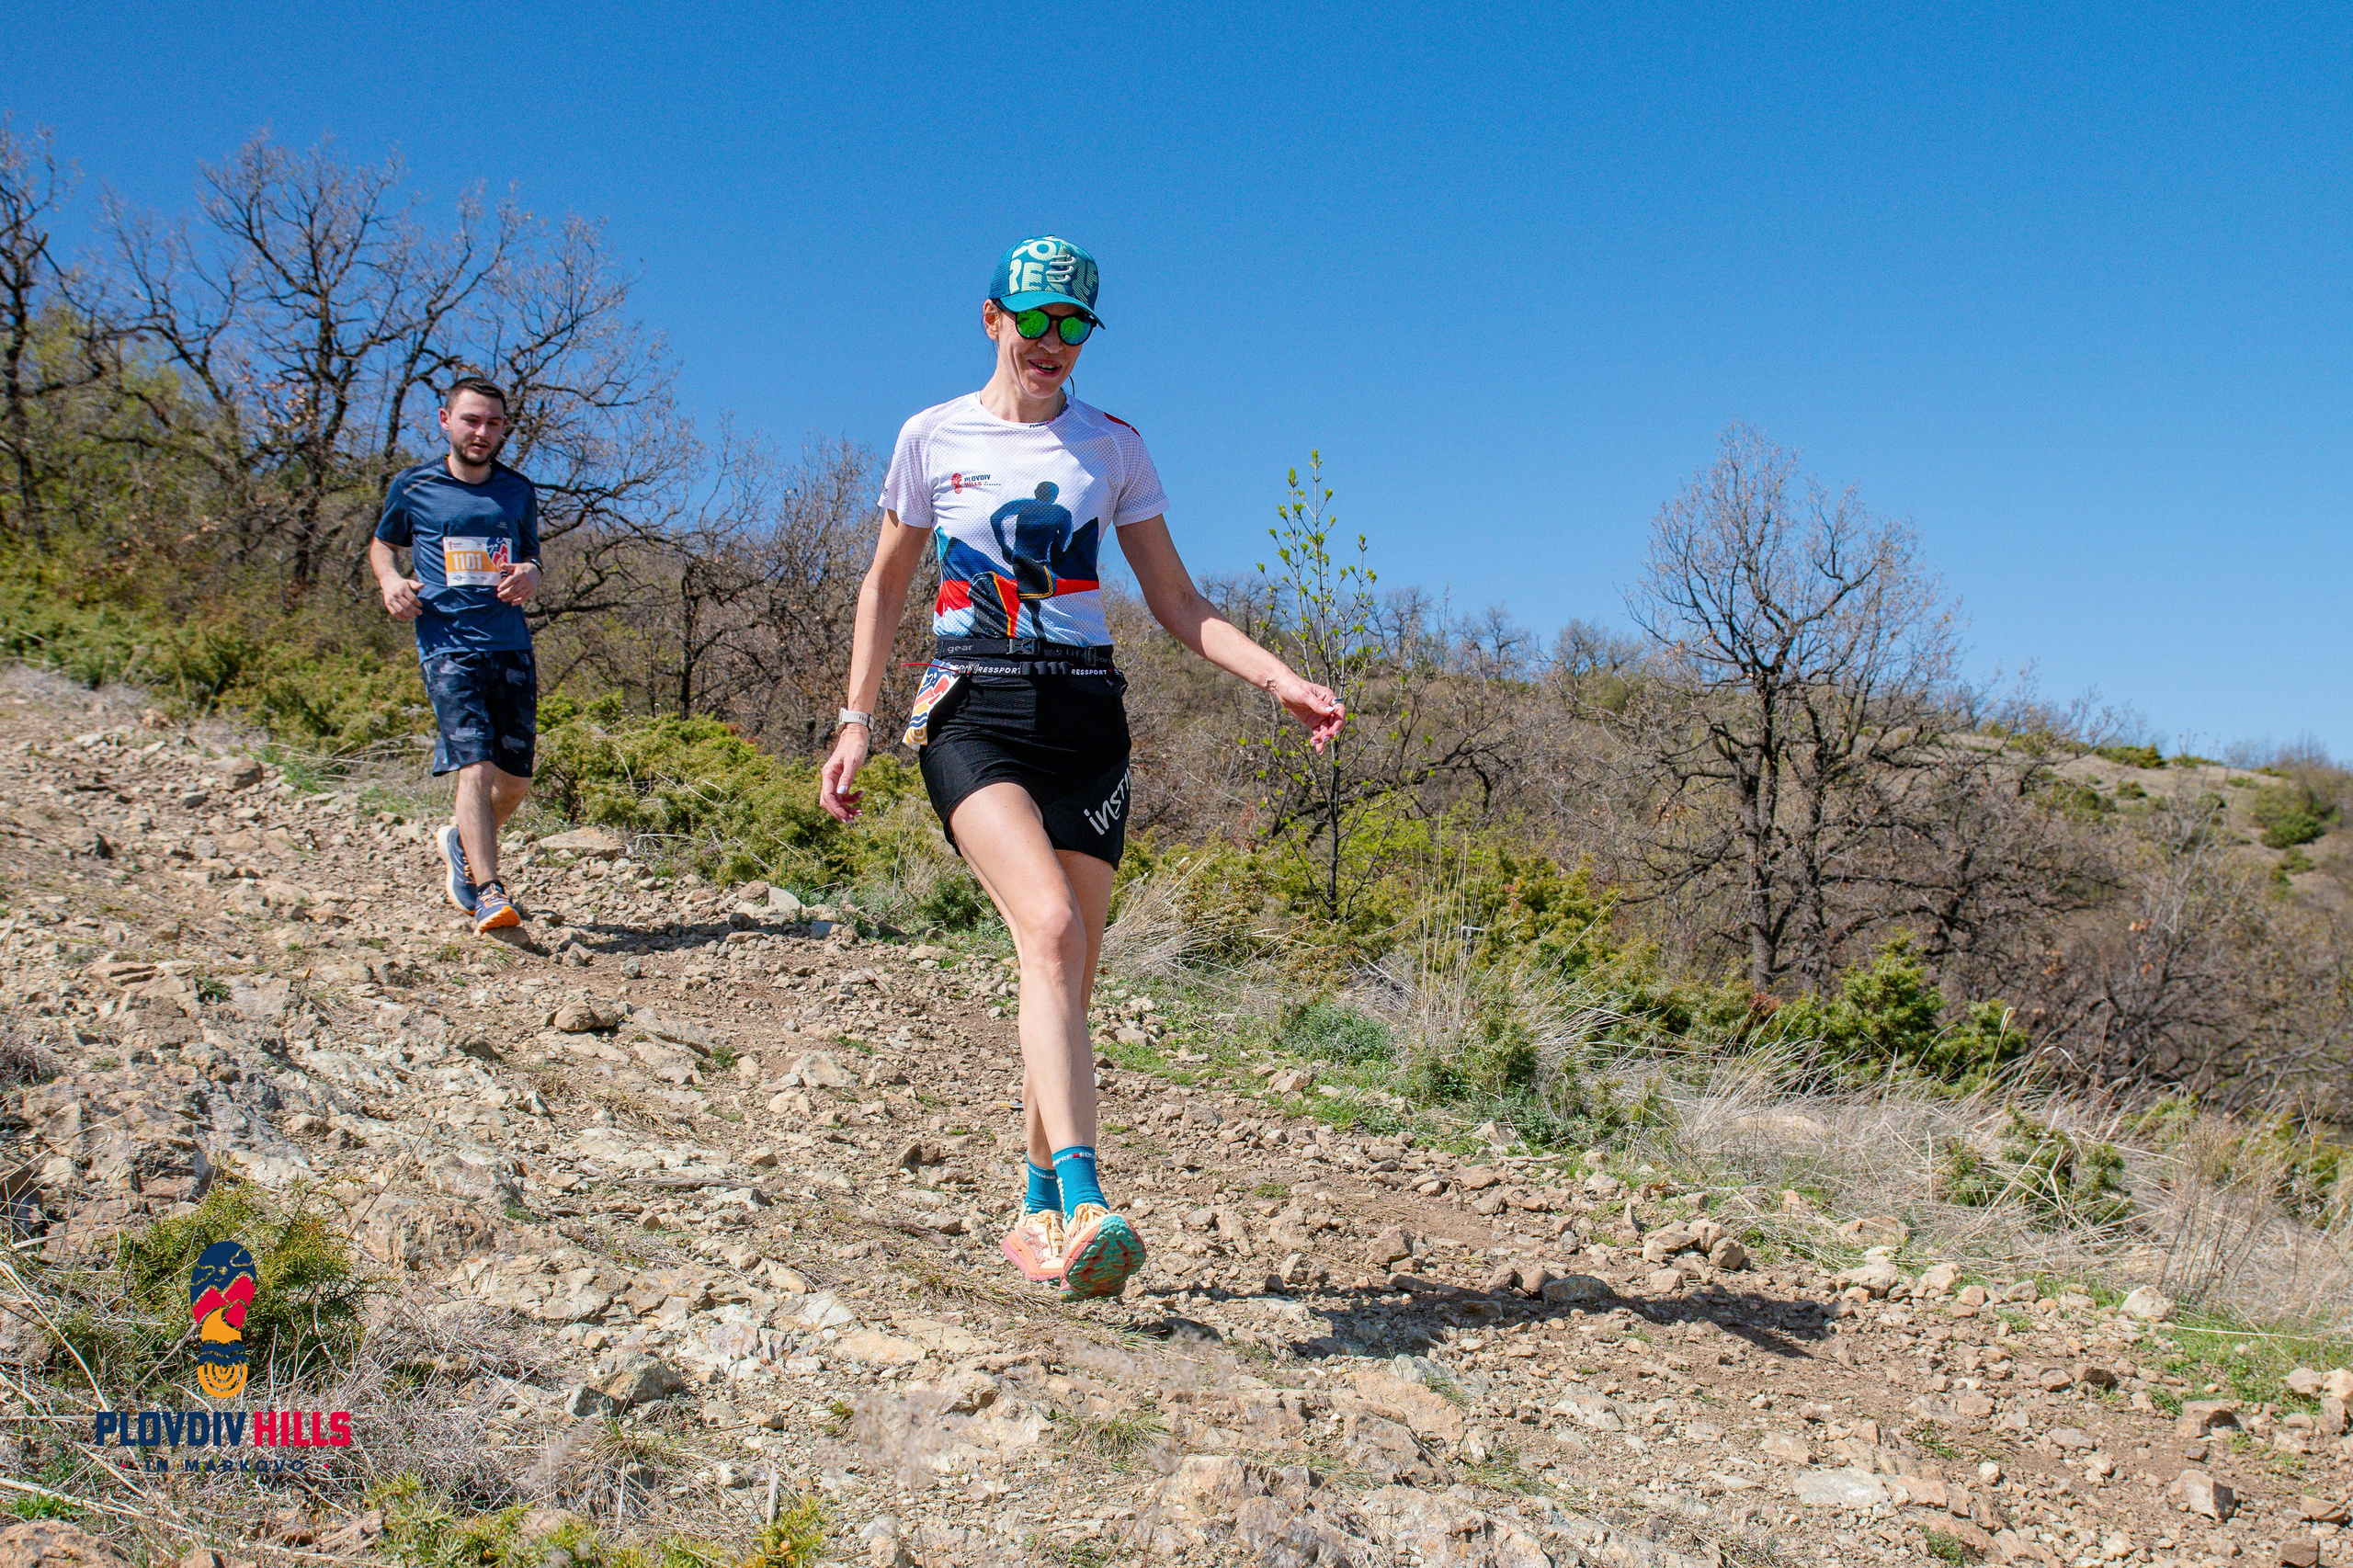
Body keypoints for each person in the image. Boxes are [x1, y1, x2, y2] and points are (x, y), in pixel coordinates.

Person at [819, 236, 1345, 1301]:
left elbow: (1178, 602)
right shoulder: (931, 435)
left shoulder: (1114, 447)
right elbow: (883, 586)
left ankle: (1033, 1213)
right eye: (1035, 319)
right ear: (992, 318)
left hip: (1088, 717)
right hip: (972, 705)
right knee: (1049, 930)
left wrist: (1278, 677)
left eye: (1073, 326)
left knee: (1063, 974)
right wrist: (854, 718)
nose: (1052, 342)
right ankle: (1089, 1195)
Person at [369, 375, 543, 935]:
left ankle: (460, 843)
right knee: (475, 764)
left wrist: (529, 574)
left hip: (509, 642)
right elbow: (382, 544)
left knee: (514, 781)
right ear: (446, 421)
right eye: (471, 420)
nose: (482, 432)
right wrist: (389, 579)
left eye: (493, 423)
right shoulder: (414, 485)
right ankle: (490, 892)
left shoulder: (517, 490)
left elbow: (531, 557)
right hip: (446, 642)